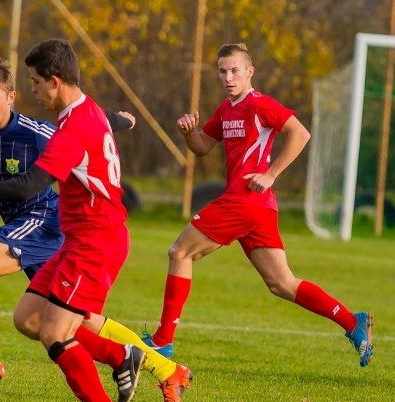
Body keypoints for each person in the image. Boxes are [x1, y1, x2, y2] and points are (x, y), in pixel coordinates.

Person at [0, 39, 186, 402]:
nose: (31, 91)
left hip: (93, 241)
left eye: (34, 82)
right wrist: (125, 120)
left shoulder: (67, 128)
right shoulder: (85, 111)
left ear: (55, 81)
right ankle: (127, 357)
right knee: (29, 319)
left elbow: (26, 185)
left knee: (55, 332)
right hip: (78, 238)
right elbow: (104, 122)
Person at [141, 43, 374, 367]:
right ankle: (353, 321)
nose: (228, 76)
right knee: (282, 283)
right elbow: (204, 147)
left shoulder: (259, 103)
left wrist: (271, 173)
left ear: (250, 71)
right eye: (223, 71)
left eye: (235, 70)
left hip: (245, 199)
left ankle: (163, 341)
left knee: (179, 252)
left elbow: (300, 133)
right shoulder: (226, 109)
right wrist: (189, 133)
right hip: (256, 206)